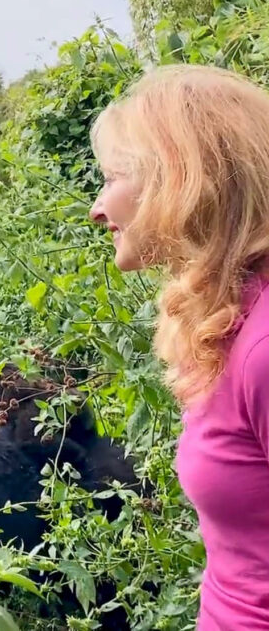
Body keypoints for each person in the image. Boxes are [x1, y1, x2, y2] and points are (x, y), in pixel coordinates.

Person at [88, 63, 269, 629]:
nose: (97, 209)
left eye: (113, 177)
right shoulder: (226, 320)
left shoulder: (263, 347)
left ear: (180, 180)